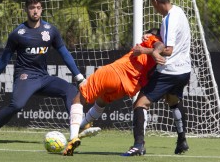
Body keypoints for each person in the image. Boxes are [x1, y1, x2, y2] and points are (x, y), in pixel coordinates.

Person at [0, 0, 86, 144]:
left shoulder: (51, 30)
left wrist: (79, 77)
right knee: (17, 105)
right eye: (32, 8)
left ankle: (77, 130)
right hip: (25, 77)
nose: (36, 11)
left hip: (43, 77)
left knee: (71, 91)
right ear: (26, 10)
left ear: (42, 9)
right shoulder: (18, 33)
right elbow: (4, 58)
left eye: (38, 8)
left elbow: (65, 54)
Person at [63, 28, 166, 156]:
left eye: (147, 34)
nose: (143, 36)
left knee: (78, 99)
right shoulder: (160, 53)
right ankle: (82, 126)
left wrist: (153, 44)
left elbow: (158, 44)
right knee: (101, 101)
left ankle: (73, 137)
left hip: (114, 72)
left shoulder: (153, 40)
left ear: (151, 35)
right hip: (127, 87)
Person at [122, 0, 191, 156]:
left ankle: (138, 145)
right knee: (173, 100)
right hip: (184, 71)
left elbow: (168, 50)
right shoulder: (179, 12)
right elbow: (167, 38)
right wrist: (153, 35)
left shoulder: (168, 19)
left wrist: (143, 50)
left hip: (169, 72)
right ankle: (182, 140)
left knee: (140, 104)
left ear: (154, 1)